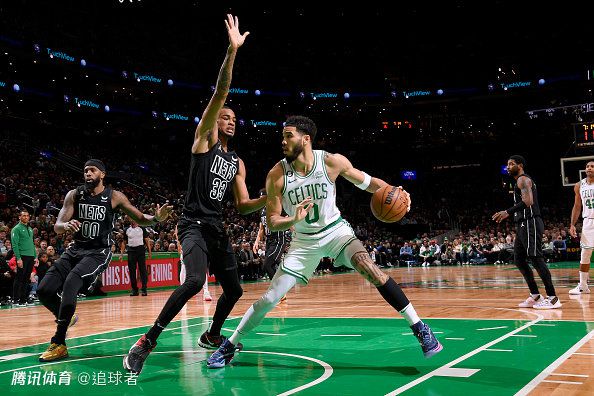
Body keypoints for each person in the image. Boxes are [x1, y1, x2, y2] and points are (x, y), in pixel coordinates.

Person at [207, 115, 442, 368]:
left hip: (335, 232)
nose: (283, 142)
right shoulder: (276, 174)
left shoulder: (331, 161)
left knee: (370, 268)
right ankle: (229, 345)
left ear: (305, 139)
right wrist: (293, 218)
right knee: (269, 299)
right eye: (282, 137)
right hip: (303, 243)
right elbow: (273, 221)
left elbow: (371, 184)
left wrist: (397, 191)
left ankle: (420, 328)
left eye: (288, 136)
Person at [123, 14, 266, 375]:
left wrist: (271, 197)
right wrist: (232, 52)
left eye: (234, 118)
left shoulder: (237, 161)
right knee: (193, 281)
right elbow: (220, 92)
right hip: (192, 224)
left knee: (234, 291)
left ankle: (212, 334)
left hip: (217, 227)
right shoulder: (204, 139)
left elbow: (245, 205)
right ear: (215, 119)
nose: (230, 120)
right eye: (225, 116)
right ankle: (147, 341)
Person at [37, 159, 173, 362]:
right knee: (44, 290)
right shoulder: (74, 195)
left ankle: (59, 342)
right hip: (75, 250)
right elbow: (57, 224)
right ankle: (66, 314)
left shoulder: (114, 196)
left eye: (92, 170)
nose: (87, 174)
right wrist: (65, 226)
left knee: (72, 282)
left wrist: (156, 218)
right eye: (85, 171)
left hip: (98, 252)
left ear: (102, 174)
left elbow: (140, 217)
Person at [492, 155, 561, 309]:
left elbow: (529, 201)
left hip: (531, 222)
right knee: (519, 260)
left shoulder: (522, 179)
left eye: (511, 164)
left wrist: (507, 212)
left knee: (536, 259)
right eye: (507, 164)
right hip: (523, 224)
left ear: (520, 165)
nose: (508, 167)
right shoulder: (518, 181)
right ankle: (535, 295)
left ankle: (553, 298)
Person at [253, 189, 291, 284]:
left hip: (279, 239)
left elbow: (288, 221)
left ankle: (278, 289)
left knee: (267, 265)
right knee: (272, 265)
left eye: (263, 198)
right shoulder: (262, 211)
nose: (261, 200)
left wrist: (299, 234)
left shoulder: (276, 207)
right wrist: (256, 241)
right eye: (260, 198)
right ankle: (281, 288)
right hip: (269, 241)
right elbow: (261, 228)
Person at [568, 160, 594, 294]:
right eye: (587, 166)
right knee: (585, 254)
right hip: (588, 222)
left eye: (592, 166)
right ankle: (583, 286)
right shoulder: (579, 185)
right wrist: (572, 224)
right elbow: (577, 206)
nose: (589, 168)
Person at [11, 209, 36, 306]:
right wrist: (18, 258)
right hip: (22, 256)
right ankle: (15, 300)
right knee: (19, 278)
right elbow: (14, 245)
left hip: (30, 257)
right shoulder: (16, 229)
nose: (26, 217)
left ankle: (23, 299)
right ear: (19, 217)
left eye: (27, 216)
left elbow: (32, 244)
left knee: (26, 279)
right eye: (24, 216)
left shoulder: (30, 229)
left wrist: (35, 257)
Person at [121, 218, 152, 296]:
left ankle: (144, 289)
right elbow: (124, 242)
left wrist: (149, 252)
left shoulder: (142, 229)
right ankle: (134, 290)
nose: (132, 221)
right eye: (131, 219)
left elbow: (147, 241)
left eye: (133, 219)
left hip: (140, 250)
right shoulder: (126, 230)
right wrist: (121, 254)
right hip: (131, 251)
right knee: (132, 271)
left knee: (143, 270)